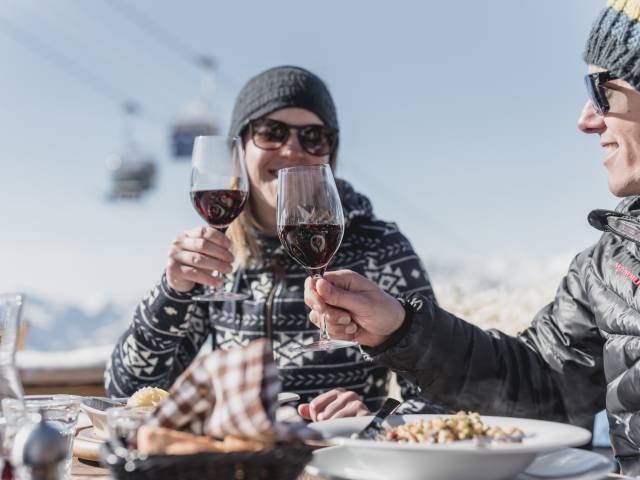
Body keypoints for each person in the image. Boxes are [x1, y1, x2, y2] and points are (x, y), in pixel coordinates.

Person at [304, 1, 640, 474]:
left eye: (601, 90)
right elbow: (541, 386)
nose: (586, 120)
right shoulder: (608, 265)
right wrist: (400, 328)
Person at [105, 65, 443, 421]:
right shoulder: (217, 255)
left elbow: (442, 392)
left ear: (330, 154)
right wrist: (171, 291)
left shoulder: (380, 247)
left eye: (314, 136)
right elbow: (126, 394)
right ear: (240, 150)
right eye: (271, 132)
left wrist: (374, 420)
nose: (291, 150)